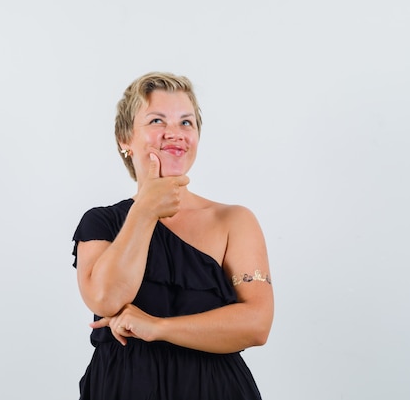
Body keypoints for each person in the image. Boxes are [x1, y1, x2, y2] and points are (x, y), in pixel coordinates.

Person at [71, 72, 274, 400]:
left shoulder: (233, 221)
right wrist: (145, 210)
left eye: (186, 123)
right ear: (125, 138)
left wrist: (158, 328)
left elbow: (257, 324)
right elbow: (106, 298)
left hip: (215, 390)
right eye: (156, 120)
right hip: (122, 389)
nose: (175, 134)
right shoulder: (101, 223)